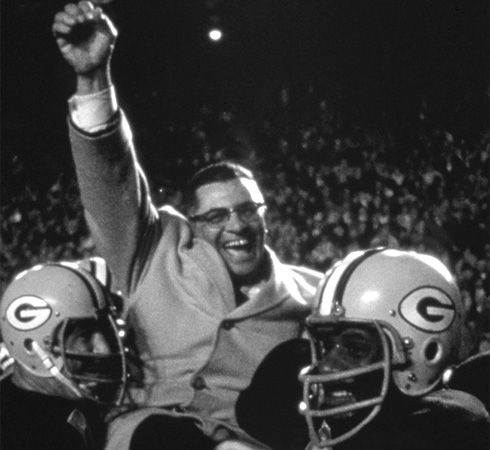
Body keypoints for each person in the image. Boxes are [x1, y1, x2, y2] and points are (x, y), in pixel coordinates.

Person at [52, 2, 323, 449]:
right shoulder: (153, 251)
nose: (237, 224)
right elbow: (109, 176)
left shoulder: (313, 297)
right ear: (193, 226)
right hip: (148, 436)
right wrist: (92, 78)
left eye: (248, 209)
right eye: (216, 216)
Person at [237, 248, 489, 449]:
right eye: (326, 344)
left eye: (356, 349)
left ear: (428, 352)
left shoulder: (446, 433)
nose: (327, 365)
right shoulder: (298, 402)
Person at [0, 257, 128, 450]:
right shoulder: (20, 435)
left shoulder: (50, 404)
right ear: (31, 346)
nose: (104, 349)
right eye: (85, 335)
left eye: (104, 331)